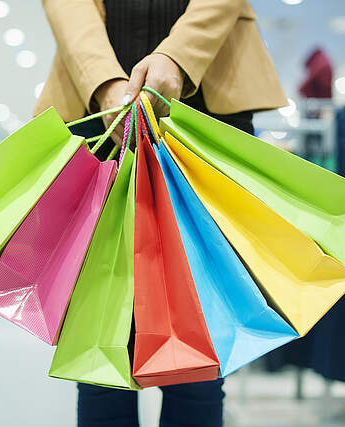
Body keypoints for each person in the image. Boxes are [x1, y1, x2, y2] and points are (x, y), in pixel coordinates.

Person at [35, 1, 287, 426]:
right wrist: (105, 82)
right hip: (97, 103)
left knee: (200, 350)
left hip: (205, 95)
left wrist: (178, 57)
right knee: (99, 349)